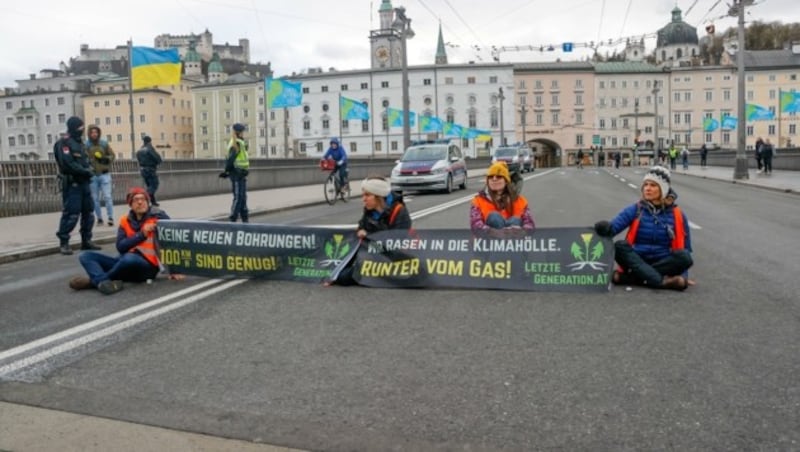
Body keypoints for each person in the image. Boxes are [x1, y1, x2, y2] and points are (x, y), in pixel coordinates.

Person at [68, 187, 183, 295]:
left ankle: (96, 281)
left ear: (148, 202)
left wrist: (174, 269)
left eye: (143, 199)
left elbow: (172, 242)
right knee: (85, 256)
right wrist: (141, 234)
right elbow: (121, 247)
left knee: (129, 259)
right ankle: (103, 282)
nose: (140, 202)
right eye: (136, 200)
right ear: (130, 204)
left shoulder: (159, 217)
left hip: (147, 268)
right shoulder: (125, 220)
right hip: (124, 262)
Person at [594, 166, 693, 290]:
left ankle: (631, 278)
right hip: (637, 260)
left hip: (663, 262)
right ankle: (661, 282)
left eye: (653, 185)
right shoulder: (636, 209)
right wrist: (605, 228)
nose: (647, 188)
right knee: (619, 246)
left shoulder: (677, 214)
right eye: (645, 185)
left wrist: (683, 277)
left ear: (663, 189)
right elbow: (613, 229)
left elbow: (686, 248)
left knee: (685, 257)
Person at [327, 176, 411, 286]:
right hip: (373, 256)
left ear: (379, 197)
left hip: (394, 259)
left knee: (346, 277)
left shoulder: (399, 211)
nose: (363, 199)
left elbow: (396, 244)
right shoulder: (369, 211)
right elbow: (360, 237)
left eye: (367, 195)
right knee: (339, 275)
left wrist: (368, 236)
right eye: (363, 195)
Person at [54, 116, 100, 255]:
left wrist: (90, 169)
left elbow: (86, 161)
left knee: (89, 213)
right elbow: (67, 164)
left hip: (85, 183)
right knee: (71, 214)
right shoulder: (64, 143)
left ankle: (86, 241)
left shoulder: (81, 144)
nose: (82, 130)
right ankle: (64, 242)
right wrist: (85, 171)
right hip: (73, 183)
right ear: (73, 127)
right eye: (80, 127)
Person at [470, 162, 535, 234]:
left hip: (513, 241)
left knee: (514, 221)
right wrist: (495, 233)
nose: (494, 179)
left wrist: (521, 232)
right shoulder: (478, 201)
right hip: (488, 242)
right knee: (494, 217)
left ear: (506, 181)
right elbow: (476, 225)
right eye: (491, 177)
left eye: (499, 176)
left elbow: (530, 225)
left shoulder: (520, 201)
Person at [219, 123, 250, 223]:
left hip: (242, 173)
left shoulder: (241, 142)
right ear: (239, 132)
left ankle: (245, 218)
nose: (243, 133)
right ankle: (233, 219)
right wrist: (227, 171)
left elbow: (242, 158)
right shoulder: (235, 143)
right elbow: (231, 160)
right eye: (242, 131)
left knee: (243, 197)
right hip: (236, 174)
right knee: (238, 197)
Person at [86, 125, 116, 226]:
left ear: (98, 133)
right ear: (89, 134)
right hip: (93, 175)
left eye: (96, 132)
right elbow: (84, 159)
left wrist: (106, 159)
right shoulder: (86, 145)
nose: (94, 134)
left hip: (104, 174)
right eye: (92, 132)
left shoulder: (104, 143)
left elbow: (112, 155)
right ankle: (99, 218)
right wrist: (88, 166)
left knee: (107, 196)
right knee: (95, 198)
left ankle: (110, 217)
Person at [136, 135, 163, 206]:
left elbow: (138, 159)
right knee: (154, 185)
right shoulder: (149, 148)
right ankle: (145, 197)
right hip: (150, 170)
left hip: (143, 170)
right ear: (150, 141)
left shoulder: (140, 149)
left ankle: (153, 202)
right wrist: (157, 162)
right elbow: (157, 158)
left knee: (149, 186)